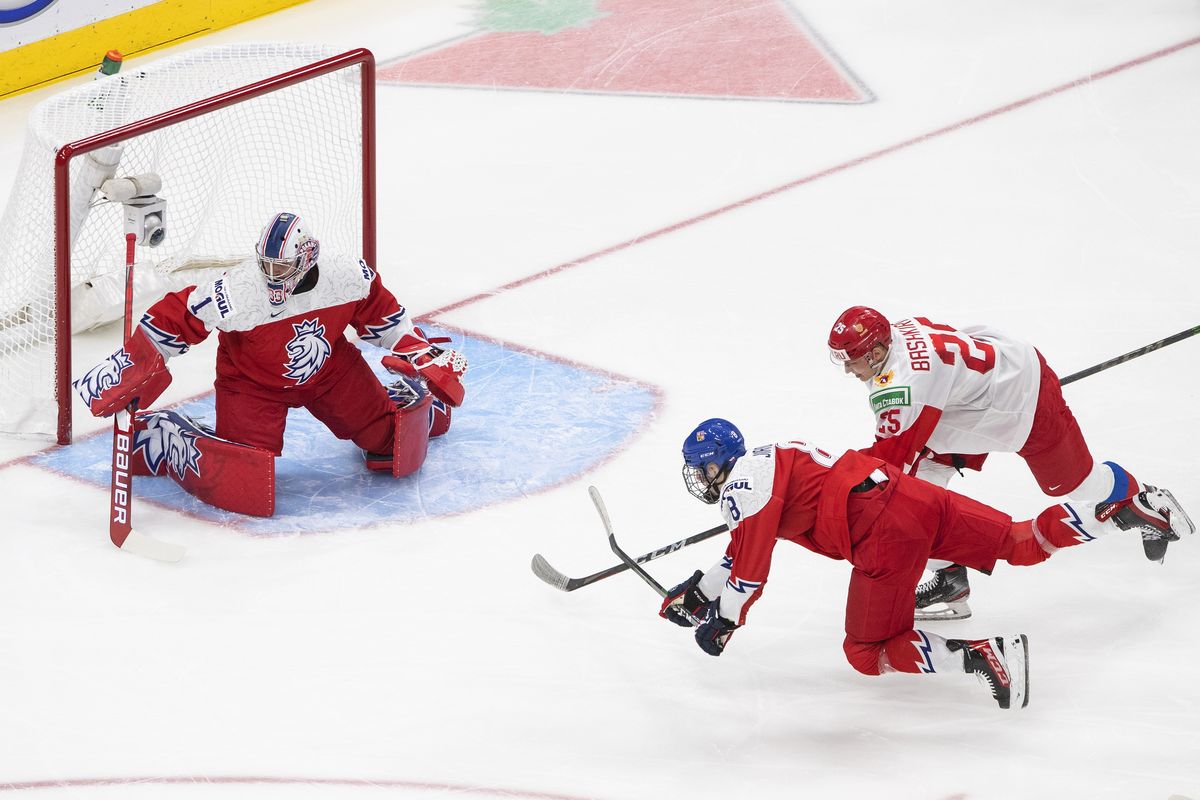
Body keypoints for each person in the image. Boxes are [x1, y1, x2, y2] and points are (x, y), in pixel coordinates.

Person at [660, 418, 1191, 710]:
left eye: (702, 470)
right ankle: (1127, 506)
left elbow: (749, 575)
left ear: (717, 465)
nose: (701, 480)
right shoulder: (771, 457)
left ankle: (986, 655)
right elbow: (737, 555)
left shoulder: (741, 490)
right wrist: (699, 593)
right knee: (1019, 541)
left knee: (866, 652)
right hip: (910, 497)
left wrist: (724, 622)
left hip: (882, 537)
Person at [73, 211, 467, 510]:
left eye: (281, 266)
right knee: (244, 484)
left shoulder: (346, 276)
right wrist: (134, 362)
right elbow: (179, 315)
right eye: (267, 265)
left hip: (330, 370)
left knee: (393, 450)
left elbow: (383, 317)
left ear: (308, 257)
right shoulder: (239, 291)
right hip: (252, 385)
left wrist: (419, 352)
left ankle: (409, 401)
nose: (272, 275)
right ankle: (165, 436)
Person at [826, 306, 1183, 620]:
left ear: (875, 353)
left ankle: (1144, 501)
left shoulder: (901, 390)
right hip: (985, 383)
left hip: (1023, 400)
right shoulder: (901, 329)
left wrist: (831, 484)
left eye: (851, 360)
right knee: (919, 494)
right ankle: (950, 578)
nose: (847, 370)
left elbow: (887, 468)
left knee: (1079, 485)